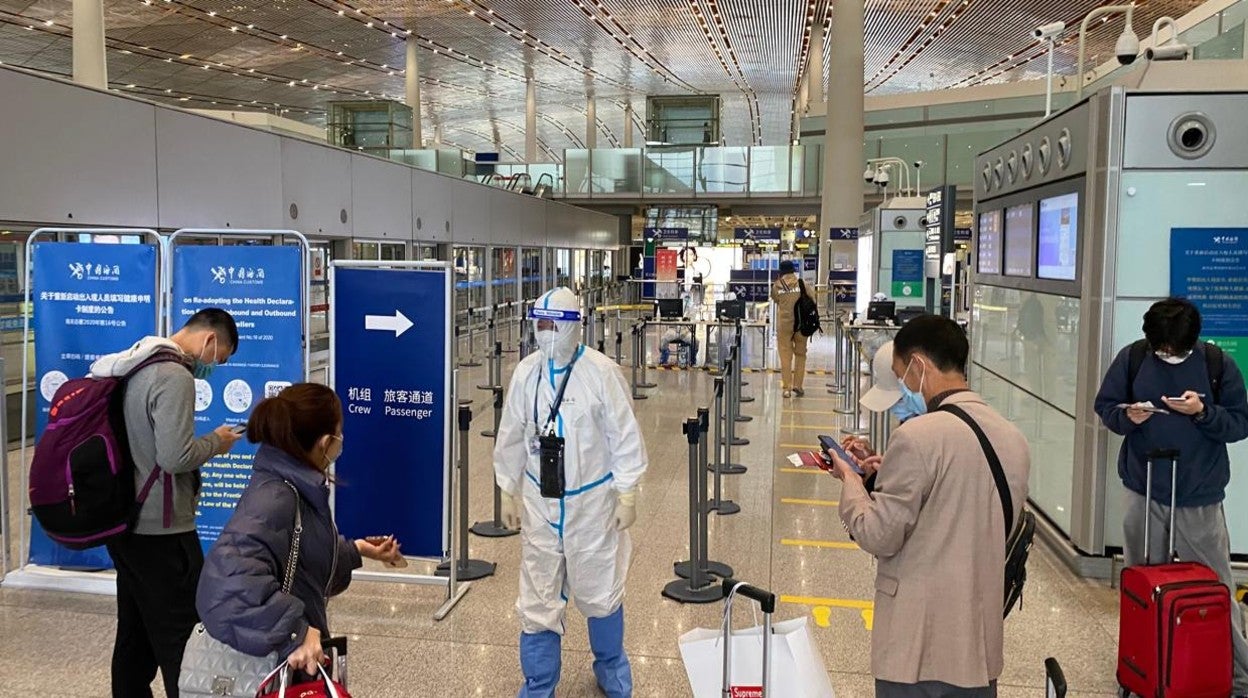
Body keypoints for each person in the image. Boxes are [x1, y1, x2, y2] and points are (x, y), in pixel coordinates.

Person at [826, 315, 1030, 697]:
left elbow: (878, 534)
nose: (903, 390)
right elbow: (964, 507)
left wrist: (852, 482)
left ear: (919, 365)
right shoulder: (1012, 436)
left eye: (903, 377)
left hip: (918, 646)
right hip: (977, 646)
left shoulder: (918, 436)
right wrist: (884, 474)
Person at [494, 286, 648, 698]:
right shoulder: (527, 373)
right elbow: (511, 434)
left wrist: (627, 491)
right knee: (538, 597)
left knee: (600, 590)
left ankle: (612, 668)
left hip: (591, 505)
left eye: (552, 326)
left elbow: (624, 435)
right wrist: (507, 488)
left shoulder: (600, 373)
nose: (544, 334)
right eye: (538, 326)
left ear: (573, 327)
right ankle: (539, 683)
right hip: (540, 503)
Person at [1093, 298, 1248, 696]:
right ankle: (1142, 665)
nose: (1166, 355)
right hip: (1143, 489)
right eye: (1160, 348)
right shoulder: (1133, 358)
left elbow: (1239, 423)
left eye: (1173, 350)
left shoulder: (1216, 364)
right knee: (1142, 585)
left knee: (1216, 586)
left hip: (1199, 494)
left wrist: (1201, 412)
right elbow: (1105, 406)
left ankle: (1236, 676)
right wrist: (1127, 417)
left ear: (1190, 343)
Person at [196, 384, 403, 677]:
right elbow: (226, 583)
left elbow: (299, 559)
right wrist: (295, 631)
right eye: (339, 432)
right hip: (278, 666)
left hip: (294, 666)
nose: (341, 441)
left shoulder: (296, 486)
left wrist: (357, 550)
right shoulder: (276, 497)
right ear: (325, 442)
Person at [89, 308, 243, 698]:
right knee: (182, 637)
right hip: (162, 528)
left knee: (136, 632)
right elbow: (174, 457)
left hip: (127, 522)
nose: (214, 367)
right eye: (219, 358)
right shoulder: (174, 376)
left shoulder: (135, 363)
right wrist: (217, 443)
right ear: (209, 340)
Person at [770, 259, 809, 397]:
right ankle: (798, 385)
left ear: (781, 272)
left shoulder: (777, 286)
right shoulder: (802, 284)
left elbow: (776, 299)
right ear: (793, 271)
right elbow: (812, 300)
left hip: (785, 325)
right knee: (800, 355)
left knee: (785, 357)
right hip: (801, 325)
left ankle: (786, 388)